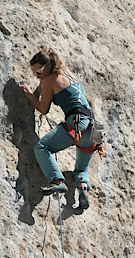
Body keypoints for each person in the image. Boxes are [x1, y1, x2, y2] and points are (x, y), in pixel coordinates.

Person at [20, 48, 99, 209]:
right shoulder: (65, 69)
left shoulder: (48, 81)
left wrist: (29, 94)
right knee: (82, 168)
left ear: (48, 65)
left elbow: (43, 109)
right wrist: (51, 51)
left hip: (77, 123)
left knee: (42, 147)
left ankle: (57, 180)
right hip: (94, 127)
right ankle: (83, 186)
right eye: (35, 74)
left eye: (40, 71)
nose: (38, 76)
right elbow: (57, 57)